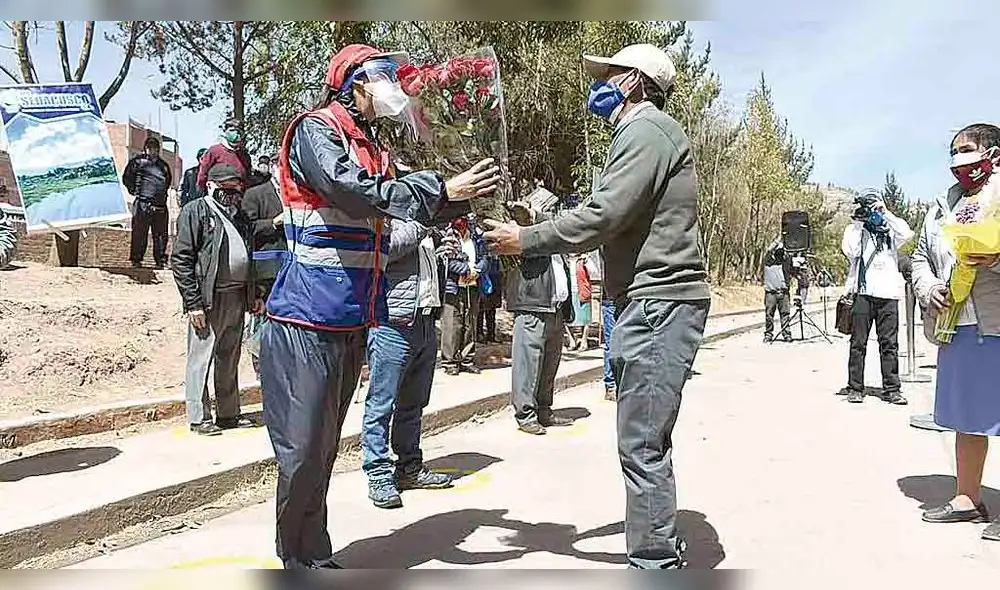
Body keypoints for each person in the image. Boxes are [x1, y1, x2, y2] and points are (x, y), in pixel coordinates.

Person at [258, 43, 499, 569]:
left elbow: (396, 208)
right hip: (304, 318)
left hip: (348, 321)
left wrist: (461, 196)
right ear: (355, 82)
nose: (394, 83)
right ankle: (294, 558)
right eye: (383, 74)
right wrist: (437, 187)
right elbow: (352, 191)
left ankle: (313, 555)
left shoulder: (373, 147)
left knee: (322, 452)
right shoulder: (316, 130)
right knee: (301, 451)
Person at [484, 44, 708, 569]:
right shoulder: (643, 134)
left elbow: (603, 216)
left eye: (608, 74)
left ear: (633, 81)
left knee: (642, 443)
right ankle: (658, 543)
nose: (600, 83)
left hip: (658, 304)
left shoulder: (646, 131)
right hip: (651, 302)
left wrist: (528, 237)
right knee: (645, 437)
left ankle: (653, 561)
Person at [911, 123, 1000, 540]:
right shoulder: (939, 205)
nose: (957, 161)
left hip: (996, 321)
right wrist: (928, 287)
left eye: (966, 150)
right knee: (969, 416)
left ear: (993, 154)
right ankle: (968, 497)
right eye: (952, 153)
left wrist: (994, 260)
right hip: (956, 323)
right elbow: (917, 258)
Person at [362, 219, 460, 509]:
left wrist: (441, 254)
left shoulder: (423, 227)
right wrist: (423, 224)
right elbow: (385, 250)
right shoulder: (390, 219)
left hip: (424, 321)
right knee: (381, 404)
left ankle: (409, 467)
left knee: (414, 403)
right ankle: (378, 474)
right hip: (393, 324)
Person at [170, 164, 263, 436]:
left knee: (229, 357)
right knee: (201, 357)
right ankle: (199, 417)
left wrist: (254, 293)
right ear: (211, 186)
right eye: (226, 189)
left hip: (237, 296)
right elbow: (182, 259)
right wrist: (193, 303)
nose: (233, 194)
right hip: (209, 299)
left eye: (236, 189)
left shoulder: (240, 217)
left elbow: (249, 257)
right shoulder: (196, 211)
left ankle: (229, 414)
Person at [840, 190, 914, 404]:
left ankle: (892, 389)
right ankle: (855, 387)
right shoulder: (855, 230)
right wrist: (858, 222)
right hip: (863, 293)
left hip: (889, 294)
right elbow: (851, 250)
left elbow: (907, 233)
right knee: (858, 343)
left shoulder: (889, 230)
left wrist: (885, 212)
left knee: (889, 344)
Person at [505, 233, 575, 435]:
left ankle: (544, 410)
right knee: (528, 365)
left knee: (549, 365)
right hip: (533, 306)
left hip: (556, 309)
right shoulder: (528, 237)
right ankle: (525, 414)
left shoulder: (557, 244)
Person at [240, 154, 285, 377]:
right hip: (266, 272)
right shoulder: (255, 194)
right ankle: (261, 370)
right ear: (275, 167)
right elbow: (247, 229)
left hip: (292, 272)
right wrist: (273, 223)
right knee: (262, 323)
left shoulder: (297, 195)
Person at [441, 216, 489, 375]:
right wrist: (465, 270)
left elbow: (484, 257)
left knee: (471, 323)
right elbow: (446, 261)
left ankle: (467, 359)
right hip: (454, 286)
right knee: (452, 324)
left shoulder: (476, 236)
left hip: (473, 286)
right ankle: (450, 362)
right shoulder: (447, 235)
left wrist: (477, 271)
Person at [123, 136, 172, 269]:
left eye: (155, 148)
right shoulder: (137, 162)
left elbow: (167, 182)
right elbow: (127, 178)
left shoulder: (164, 166)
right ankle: (136, 260)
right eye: (150, 148)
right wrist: (134, 190)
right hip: (143, 203)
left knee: (161, 235)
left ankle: (161, 260)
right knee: (139, 233)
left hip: (160, 205)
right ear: (145, 148)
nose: (152, 150)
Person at [197, 118, 251, 192]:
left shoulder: (245, 156)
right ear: (225, 132)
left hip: (239, 196)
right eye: (232, 131)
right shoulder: (214, 151)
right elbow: (203, 175)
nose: (236, 134)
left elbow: (247, 179)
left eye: (239, 132)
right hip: (217, 195)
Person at [762, 237, 792, 343]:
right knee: (769, 315)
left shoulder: (786, 261)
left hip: (783, 293)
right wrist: (781, 237)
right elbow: (769, 250)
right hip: (770, 293)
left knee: (785, 315)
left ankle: (786, 334)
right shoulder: (768, 260)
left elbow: (789, 252)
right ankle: (768, 334)